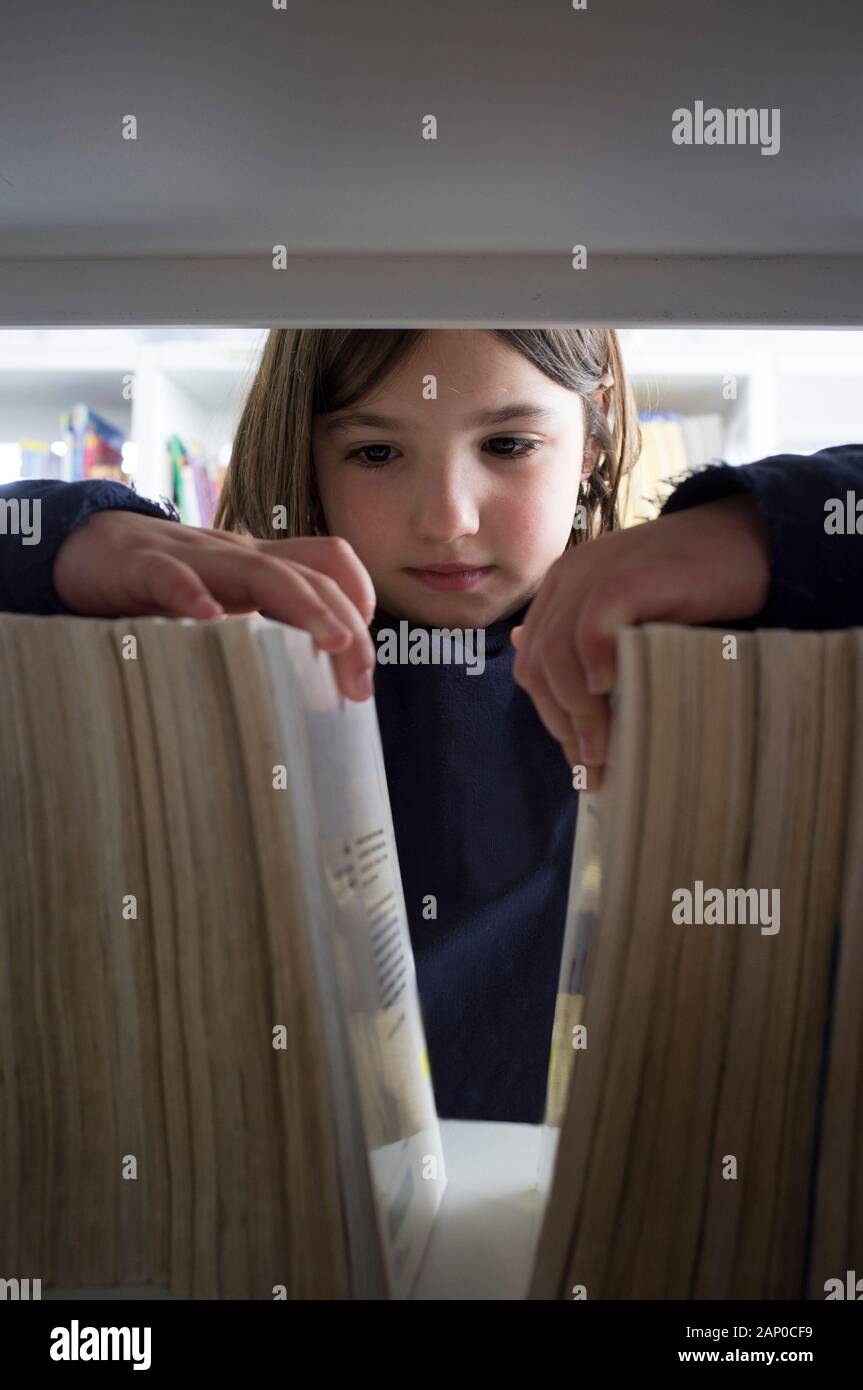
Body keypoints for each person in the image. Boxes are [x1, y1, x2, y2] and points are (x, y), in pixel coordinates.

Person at [1, 328, 861, 1124]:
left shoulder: (697, 653)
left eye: (507, 445)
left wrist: (753, 527)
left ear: (592, 443)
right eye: (376, 451)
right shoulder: (221, 652)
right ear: (309, 450)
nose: (447, 517)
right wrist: (79, 537)